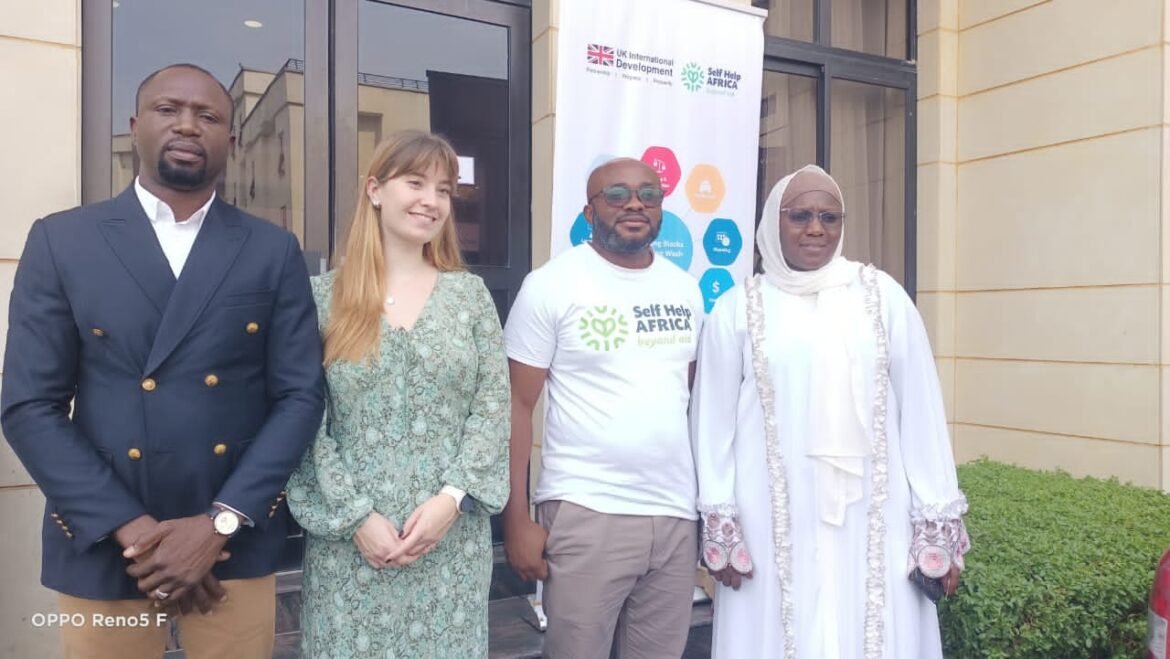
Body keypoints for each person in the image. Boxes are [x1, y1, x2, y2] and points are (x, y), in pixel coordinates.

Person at [1, 63, 324, 659]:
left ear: (232, 139)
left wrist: (217, 525)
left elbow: (300, 396)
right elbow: (29, 406)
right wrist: (140, 536)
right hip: (106, 537)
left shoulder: (271, 249)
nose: (188, 125)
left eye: (208, 116)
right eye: (168, 109)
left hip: (231, 540)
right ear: (135, 125)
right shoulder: (63, 240)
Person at [690, 164, 970, 658]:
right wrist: (720, 517)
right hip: (770, 514)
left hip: (873, 510)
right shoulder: (738, 308)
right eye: (800, 215)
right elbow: (711, 423)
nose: (815, 228)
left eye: (829, 217)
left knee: (870, 621)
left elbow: (921, 408)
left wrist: (936, 520)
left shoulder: (882, 297)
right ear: (773, 222)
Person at [286, 129, 510, 658]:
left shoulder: (469, 297)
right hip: (351, 547)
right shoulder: (323, 299)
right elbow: (303, 419)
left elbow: (493, 408)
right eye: (415, 183)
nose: (432, 200)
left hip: (450, 544)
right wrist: (356, 517)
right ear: (375, 190)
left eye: (444, 190)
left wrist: (451, 501)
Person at [502, 158, 703, 659]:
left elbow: (688, 400)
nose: (635, 204)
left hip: (674, 516)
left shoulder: (685, 289)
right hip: (586, 510)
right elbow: (515, 407)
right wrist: (516, 519)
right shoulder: (551, 285)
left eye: (648, 194)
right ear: (589, 211)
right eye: (617, 194)